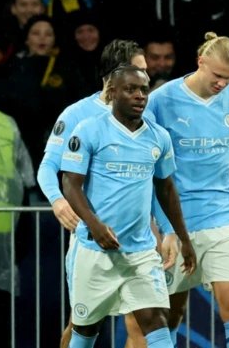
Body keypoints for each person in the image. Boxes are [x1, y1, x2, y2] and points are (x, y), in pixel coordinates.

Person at [36, 39, 180, 348]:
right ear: (116, 76)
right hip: (92, 238)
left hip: (138, 242)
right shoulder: (78, 115)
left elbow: (154, 182)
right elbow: (48, 167)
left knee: (144, 321)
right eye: (139, 71)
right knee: (84, 324)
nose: (145, 81)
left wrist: (167, 230)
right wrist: (58, 201)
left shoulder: (145, 118)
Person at [60, 65, 196, 348]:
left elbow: (166, 189)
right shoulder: (89, 130)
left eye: (144, 90)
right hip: (96, 252)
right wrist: (94, 226)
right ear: (112, 93)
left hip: (141, 253)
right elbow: (70, 185)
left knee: (157, 322)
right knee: (84, 331)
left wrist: (183, 238)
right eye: (131, 89)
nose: (140, 96)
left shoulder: (159, 137)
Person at [140, 32, 229, 348]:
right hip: (175, 224)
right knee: (167, 318)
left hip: (222, 217)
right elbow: (147, 169)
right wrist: (155, 227)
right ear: (200, 62)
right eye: (218, 76)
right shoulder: (160, 101)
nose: (223, 84)